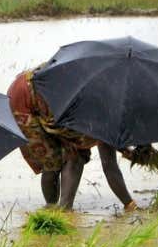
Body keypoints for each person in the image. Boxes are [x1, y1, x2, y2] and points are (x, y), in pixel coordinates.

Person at [8, 66, 137, 213]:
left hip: (44, 93)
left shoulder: (105, 100)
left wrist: (129, 203)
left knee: (73, 152)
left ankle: (62, 209)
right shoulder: (103, 115)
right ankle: (53, 208)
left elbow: (110, 163)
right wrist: (129, 203)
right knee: (55, 159)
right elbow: (110, 166)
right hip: (23, 99)